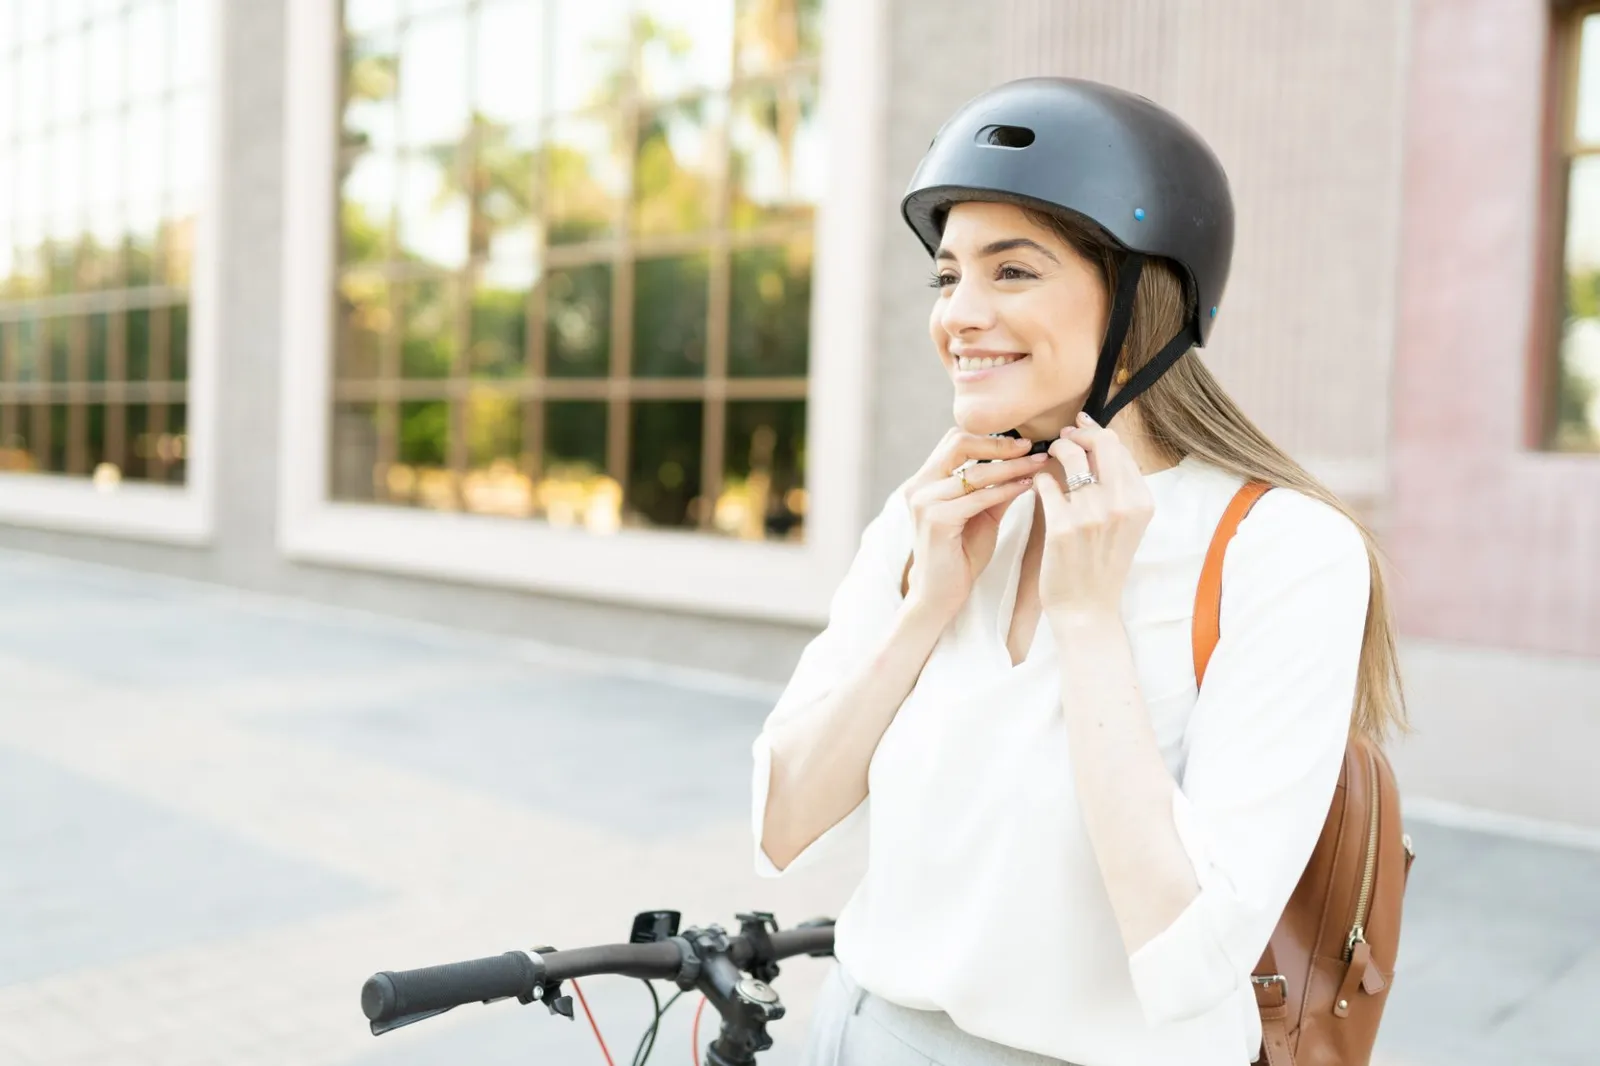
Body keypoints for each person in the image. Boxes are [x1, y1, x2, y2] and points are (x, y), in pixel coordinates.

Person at [748, 77, 1407, 1066]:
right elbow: (783, 821)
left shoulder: (1284, 550)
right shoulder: (933, 512)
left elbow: (1191, 961)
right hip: (855, 1028)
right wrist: (925, 608)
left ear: (1144, 295)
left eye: (1012, 272)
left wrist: (1090, 621)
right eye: (946, 276)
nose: (958, 316)